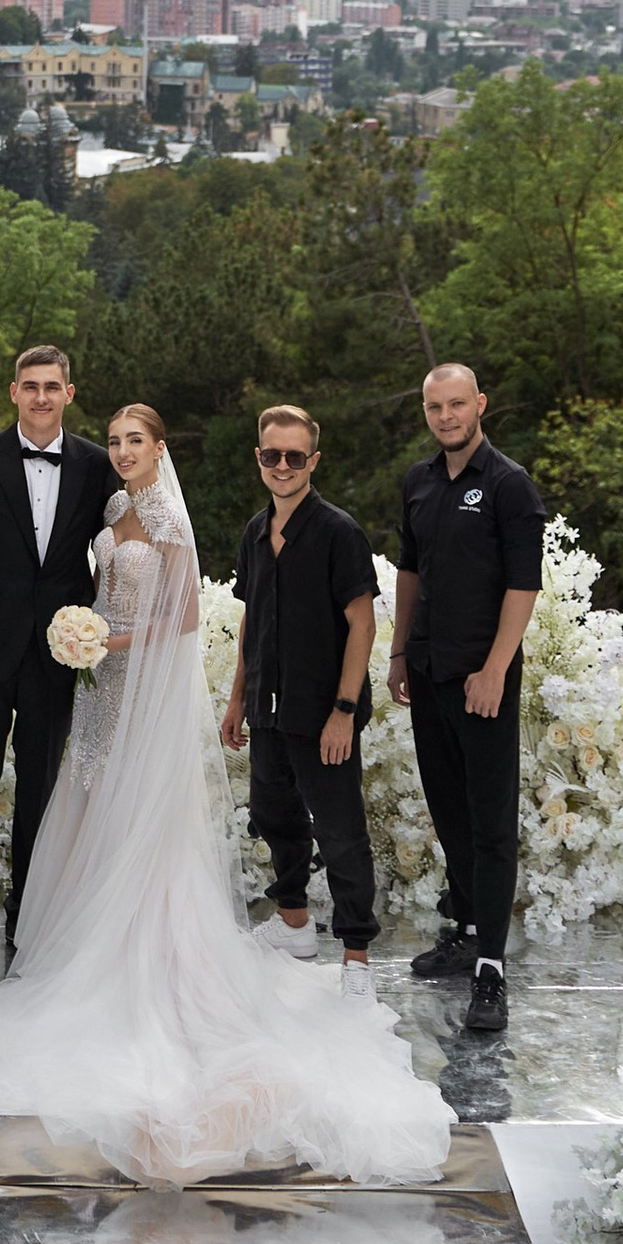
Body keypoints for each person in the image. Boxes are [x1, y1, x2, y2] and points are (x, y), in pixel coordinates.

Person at [0, 404, 448, 1184]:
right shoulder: (110, 508)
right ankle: (82, 937)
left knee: (149, 816)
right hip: (103, 687)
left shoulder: (171, 518)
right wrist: (85, 640)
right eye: (113, 442)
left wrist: (108, 638)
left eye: (135, 441)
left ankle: (210, 951)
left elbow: (178, 617)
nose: (121, 452)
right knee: (91, 803)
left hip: (144, 683)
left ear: (159, 448)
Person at [0, 345, 111, 990]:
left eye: (51, 387)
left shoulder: (95, 464)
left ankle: (27, 928)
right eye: (29, 386)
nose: (40, 397)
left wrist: (99, 637)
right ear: (13, 393)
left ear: (69, 391)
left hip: (57, 660)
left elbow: (117, 550)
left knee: (40, 797)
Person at [388, 360, 544, 1040]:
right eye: (435, 407)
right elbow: (410, 574)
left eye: (457, 404)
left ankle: (490, 970)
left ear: (480, 403)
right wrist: (398, 654)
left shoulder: (509, 486)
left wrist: (495, 669)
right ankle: (465, 931)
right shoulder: (419, 483)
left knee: (489, 825)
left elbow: (522, 585)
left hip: (484, 681)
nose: (447, 416)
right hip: (427, 673)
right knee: (448, 813)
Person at [221, 403, 381, 987]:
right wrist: (238, 698)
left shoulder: (340, 532)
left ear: (312, 460)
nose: (282, 465)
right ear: (258, 459)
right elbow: (251, 620)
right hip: (266, 708)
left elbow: (362, 625)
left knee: (340, 830)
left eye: (294, 456)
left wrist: (343, 711)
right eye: (272, 455)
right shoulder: (254, 533)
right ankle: (293, 924)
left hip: (323, 713)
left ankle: (357, 954)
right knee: (272, 814)